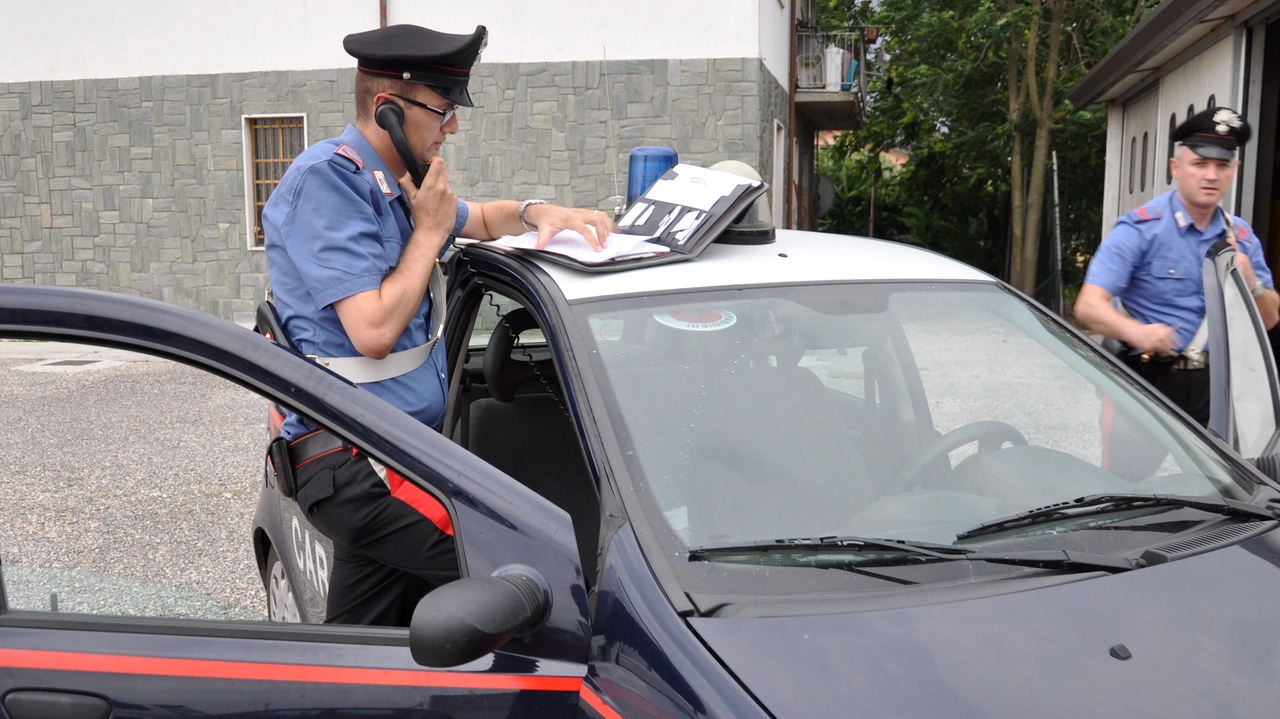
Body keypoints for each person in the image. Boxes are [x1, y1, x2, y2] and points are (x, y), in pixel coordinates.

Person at [261, 23, 614, 626]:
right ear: (389, 110)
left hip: (396, 454)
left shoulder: (392, 183)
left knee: (365, 646)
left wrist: (537, 212)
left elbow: (476, 219)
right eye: (444, 109)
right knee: (534, 579)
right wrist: (428, 232)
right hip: (360, 461)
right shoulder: (329, 182)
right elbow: (372, 332)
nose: (452, 126)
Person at [1076, 106, 1279, 427]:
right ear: (1177, 167)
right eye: (1200, 164)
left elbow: (1270, 319)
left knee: (1220, 478)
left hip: (1217, 387)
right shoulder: (1141, 229)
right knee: (1127, 478)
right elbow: (1088, 306)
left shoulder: (1241, 236)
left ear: (1234, 169)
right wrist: (1138, 332)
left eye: (1222, 165)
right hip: (1146, 379)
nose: (1211, 175)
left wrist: (1251, 280)